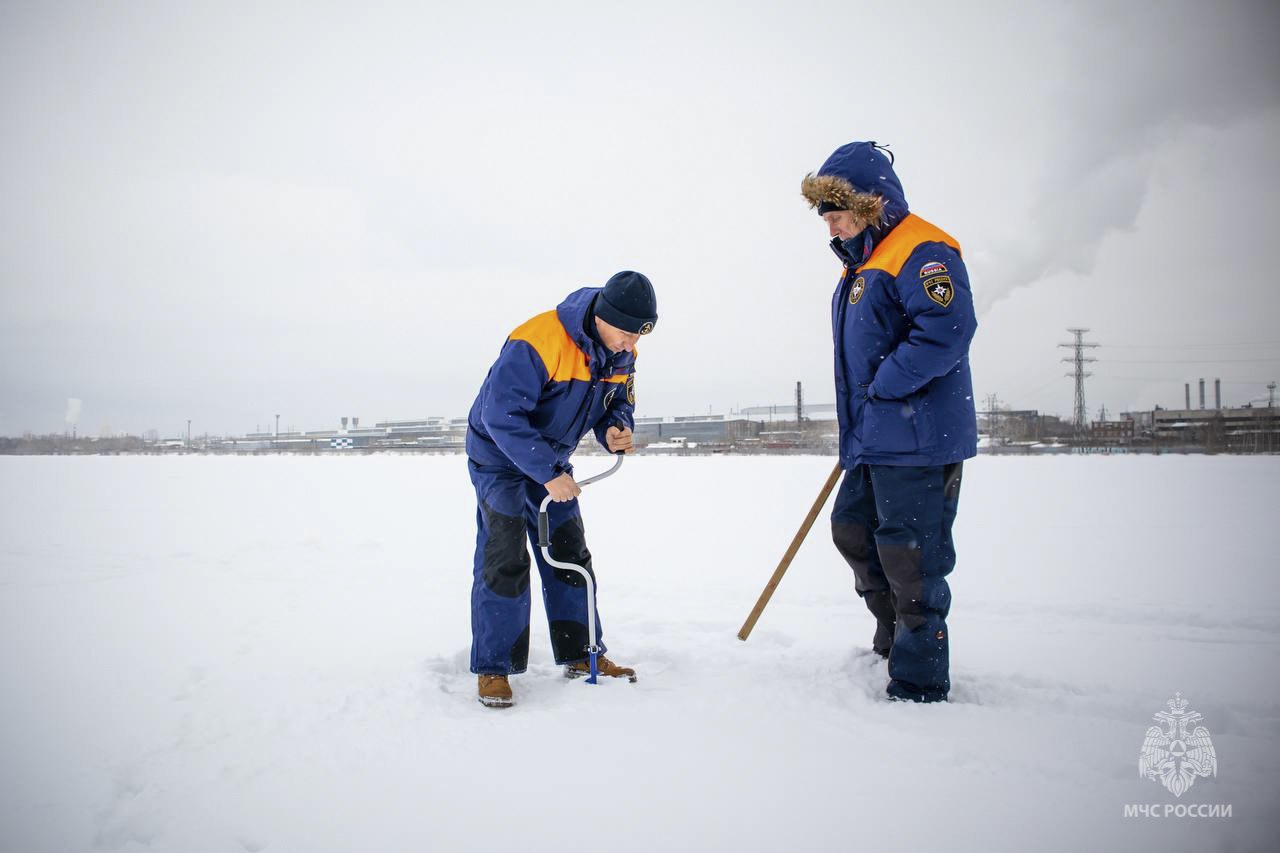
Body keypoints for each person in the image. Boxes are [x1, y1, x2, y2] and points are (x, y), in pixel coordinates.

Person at [800, 141, 977, 703]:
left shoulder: (921, 250)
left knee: (912, 558)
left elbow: (946, 330)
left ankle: (919, 679)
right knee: (852, 531)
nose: (828, 222)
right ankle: (893, 635)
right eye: (823, 212)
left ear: (872, 201)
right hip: (875, 438)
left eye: (836, 208)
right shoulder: (861, 263)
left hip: (918, 439)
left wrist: (886, 386)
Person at [465, 271, 657, 708]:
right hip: (499, 458)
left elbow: (617, 402)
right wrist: (548, 471)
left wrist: (616, 430)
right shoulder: (536, 340)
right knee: (505, 555)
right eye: (625, 334)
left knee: (570, 553)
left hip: (550, 459)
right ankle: (494, 667)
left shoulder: (619, 351)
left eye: (638, 337)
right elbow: (502, 417)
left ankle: (582, 654)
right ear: (604, 317)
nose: (630, 345)